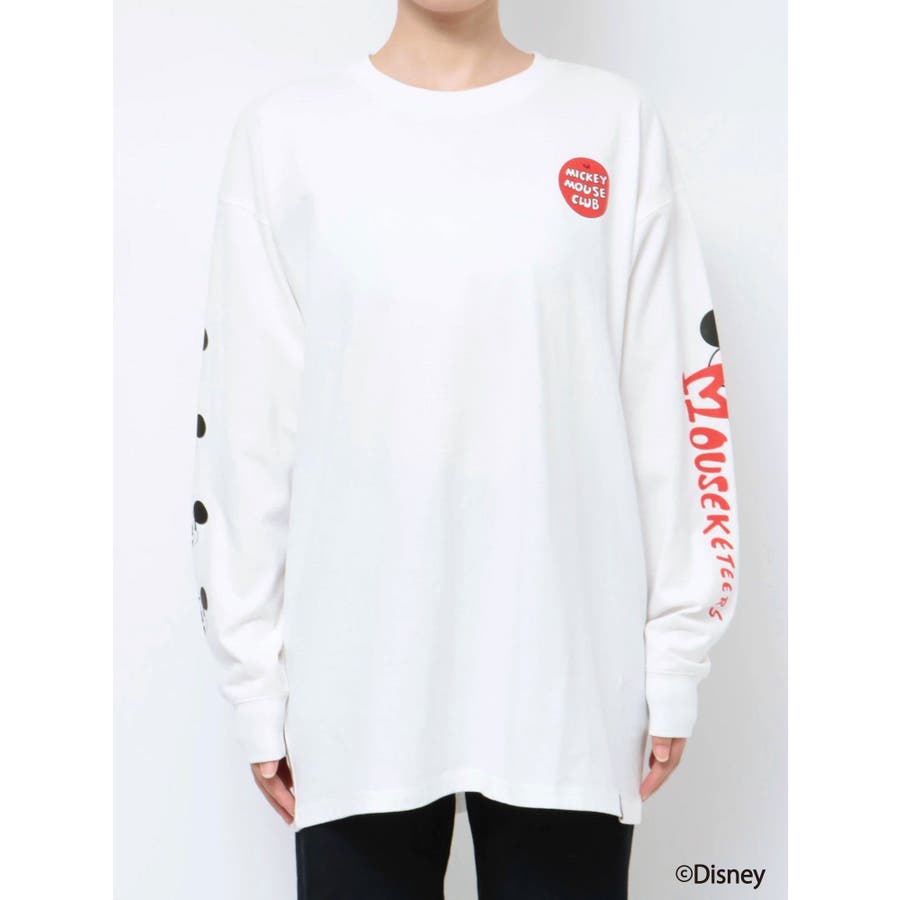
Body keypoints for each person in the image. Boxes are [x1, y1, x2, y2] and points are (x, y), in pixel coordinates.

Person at [190, 1, 740, 897]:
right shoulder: (286, 139)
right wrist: (254, 679)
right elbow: (246, 427)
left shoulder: (612, 125)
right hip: (360, 688)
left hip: (564, 683)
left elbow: (675, 400)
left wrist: (677, 649)